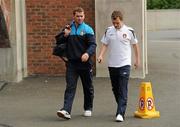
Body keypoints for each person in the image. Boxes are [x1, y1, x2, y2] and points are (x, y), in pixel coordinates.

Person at [97, 10, 140, 122]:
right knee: (115, 88)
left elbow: (135, 46)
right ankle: (121, 104)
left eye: (117, 23)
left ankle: (120, 113)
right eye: (114, 23)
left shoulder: (130, 31)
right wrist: (101, 55)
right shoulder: (109, 30)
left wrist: (137, 60)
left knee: (122, 88)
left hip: (124, 64)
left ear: (121, 20)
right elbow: (105, 44)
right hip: (112, 64)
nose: (115, 25)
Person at [57, 7, 96, 120]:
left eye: (81, 16)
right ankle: (66, 110)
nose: (79, 18)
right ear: (73, 16)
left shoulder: (88, 29)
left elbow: (93, 45)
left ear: (84, 16)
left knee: (88, 87)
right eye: (77, 16)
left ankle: (88, 108)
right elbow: (58, 42)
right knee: (70, 87)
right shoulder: (68, 28)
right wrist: (65, 35)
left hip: (85, 64)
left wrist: (87, 54)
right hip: (72, 64)